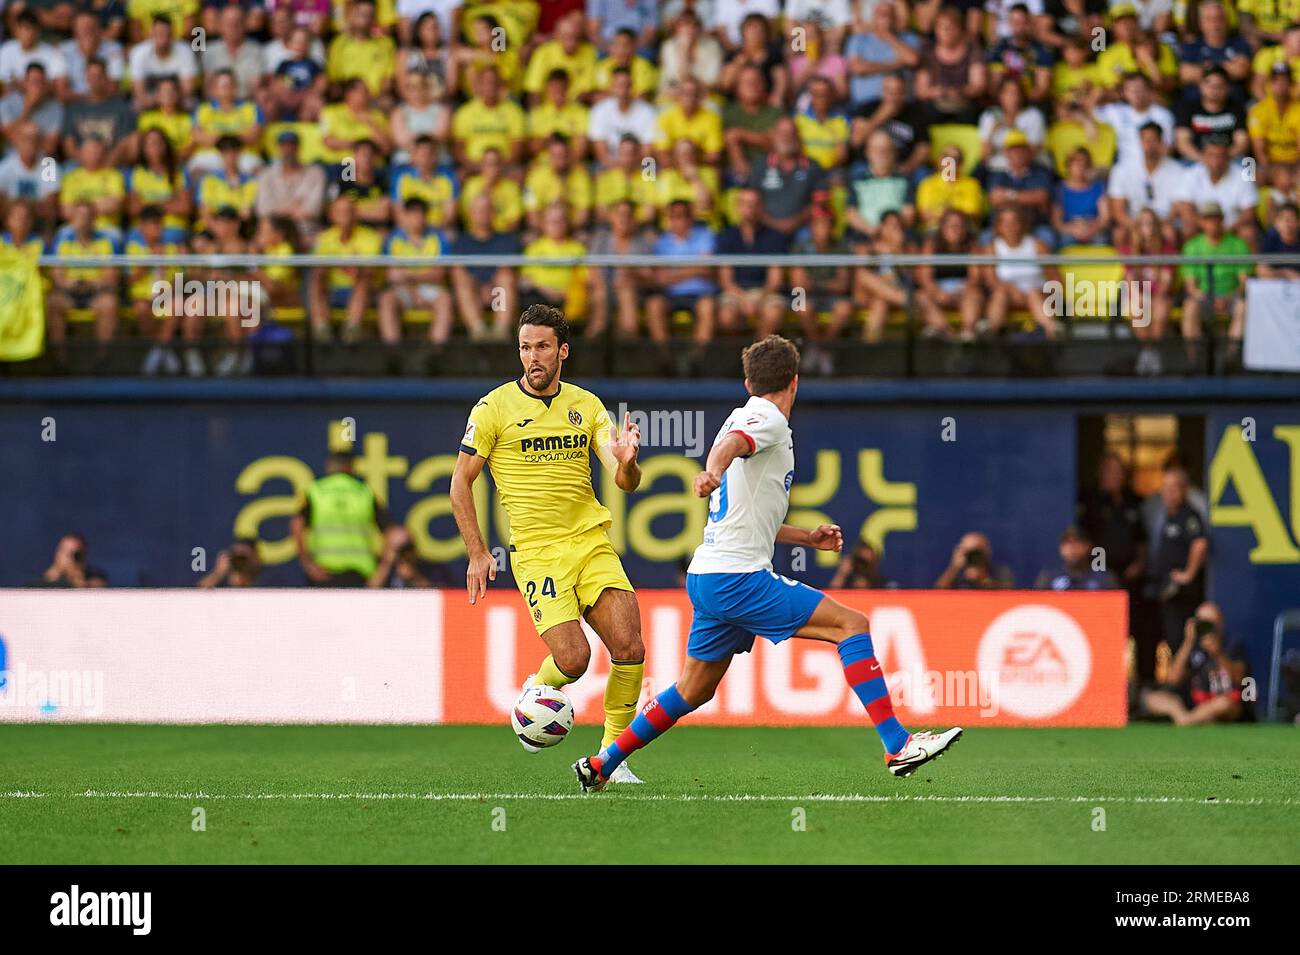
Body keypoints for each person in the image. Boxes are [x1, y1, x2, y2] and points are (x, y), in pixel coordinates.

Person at [573, 335, 962, 793]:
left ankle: (601, 764)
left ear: (746, 381)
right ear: (795, 382)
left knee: (693, 689)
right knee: (851, 625)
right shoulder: (767, 417)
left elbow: (748, 510)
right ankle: (897, 745)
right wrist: (714, 469)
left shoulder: (741, 416)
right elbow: (734, 446)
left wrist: (806, 537)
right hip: (737, 577)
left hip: (710, 575)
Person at [450, 305, 648, 782]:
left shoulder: (587, 405)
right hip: (537, 552)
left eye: (541, 347)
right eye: (524, 347)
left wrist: (626, 461)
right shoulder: (493, 407)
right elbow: (460, 483)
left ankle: (612, 759)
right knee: (575, 661)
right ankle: (538, 687)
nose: (531, 357)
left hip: (590, 541)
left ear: (562, 351)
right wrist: (478, 551)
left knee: (630, 646)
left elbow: (625, 481)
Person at [1140, 602, 1250, 725]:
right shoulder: (1192, 647)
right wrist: (1188, 642)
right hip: (1194, 705)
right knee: (1152, 698)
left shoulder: (1232, 645)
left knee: (1224, 703)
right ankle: (1188, 718)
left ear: (1220, 623)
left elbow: (1239, 678)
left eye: (1210, 622)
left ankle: (1187, 720)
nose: (1206, 627)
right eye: (1201, 621)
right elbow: (1173, 679)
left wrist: (1218, 653)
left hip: (1220, 703)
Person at [291, 451, 389, 587]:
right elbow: (393, 534)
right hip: (360, 573)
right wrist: (382, 571)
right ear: (350, 467)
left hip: (323, 572)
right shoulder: (364, 493)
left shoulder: (316, 492)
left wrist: (308, 564)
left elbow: (296, 525)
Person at [1145, 466, 1209, 659]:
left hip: (1183, 594)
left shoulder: (1188, 515)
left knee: (1182, 639)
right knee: (1168, 638)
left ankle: (1183, 687)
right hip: (1167, 591)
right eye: (1165, 488)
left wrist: (1188, 574)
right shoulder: (1166, 516)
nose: (1168, 493)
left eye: (1174, 488)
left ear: (1184, 489)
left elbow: (1200, 543)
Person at [1034, 526, 1119, 590]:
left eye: (1077, 543)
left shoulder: (1105, 579)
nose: (1073, 548)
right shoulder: (1048, 577)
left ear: (1088, 546)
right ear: (1061, 548)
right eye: (1068, 543)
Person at [935, 531, 1015, 588]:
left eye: (976, 552)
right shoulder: (956, 577)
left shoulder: (1001, 573)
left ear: (986, 551)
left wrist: (983, 579)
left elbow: (1006, 596)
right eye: (968, 552)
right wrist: (954, 568)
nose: (972, 556)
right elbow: (938, 593)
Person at [35, 533, 107, 588]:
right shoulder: (41, 582)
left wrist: (79, 579)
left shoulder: (95, 578)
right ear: (58, 553)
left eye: (76, 554)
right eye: (66, 552)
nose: (70, 557)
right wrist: (50, 578)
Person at [198, 538, 262, 588]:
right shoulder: (220, 583)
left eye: (242, 558)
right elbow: (196, 597)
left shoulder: (266, 579)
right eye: (236, 556)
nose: (239, 562)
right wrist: (217, 573)